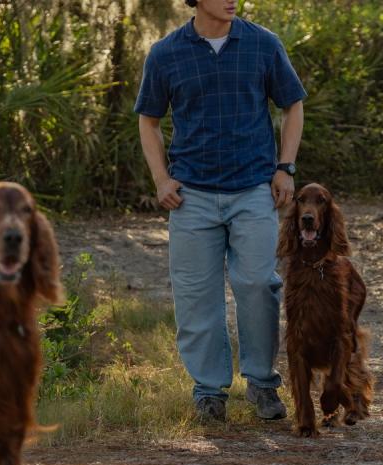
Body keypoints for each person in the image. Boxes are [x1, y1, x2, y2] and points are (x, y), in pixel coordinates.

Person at [135, 0, 306, 423]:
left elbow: (293, 105)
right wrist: (161, 179)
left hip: (253, 190)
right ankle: (209, 390)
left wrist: (285, 167)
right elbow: (149, 120)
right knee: (196, 297)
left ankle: (263, 383)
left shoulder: (263, 43)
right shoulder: (166, 52)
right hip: (190, 196)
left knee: (257, 284)